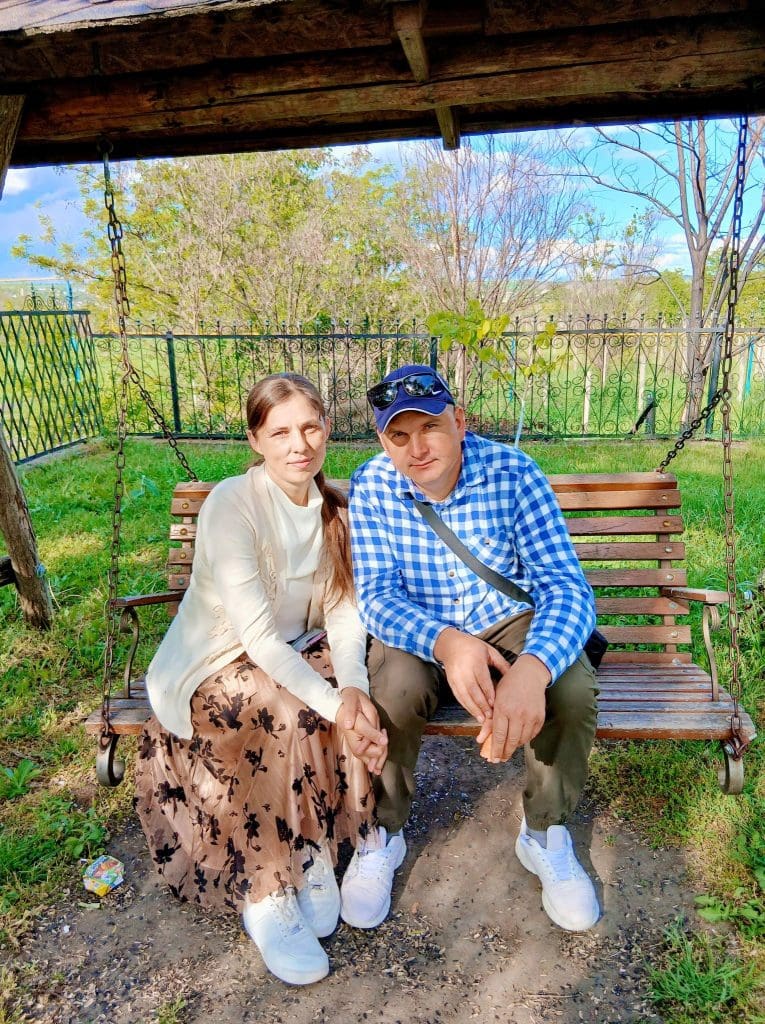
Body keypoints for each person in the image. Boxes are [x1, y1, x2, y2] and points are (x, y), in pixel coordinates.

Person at [134, 372, 391, 987]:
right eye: (280, 433)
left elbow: (343, 612)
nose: (299, 445)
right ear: (255, 440)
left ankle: (311, 846)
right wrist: (332, 703)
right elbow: (258, 639)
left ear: (327, 429)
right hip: (212, 662)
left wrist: (353, 692)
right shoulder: (232, 505)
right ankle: (265, 887)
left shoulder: (335, 510)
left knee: (355, 695)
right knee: (276, 706)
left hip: (291, 652)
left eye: (310, 428)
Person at [346, 364, 601, 933]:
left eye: (430, 428)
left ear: (460, 422)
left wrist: (533, 668)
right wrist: (446, 643)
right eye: (398, 435)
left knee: (570, 689)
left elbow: (565, 587)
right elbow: (377, 596)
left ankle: (544, 831)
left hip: (506, 621)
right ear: (383, 441)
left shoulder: (515, 473)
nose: (417, 449)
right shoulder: (372, 485)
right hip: (421, 627)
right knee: (393, 690)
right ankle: (382, 830)